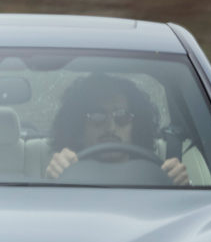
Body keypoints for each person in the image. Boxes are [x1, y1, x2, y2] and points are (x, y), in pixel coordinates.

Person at [44, 73, 190, 185]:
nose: (111, 127)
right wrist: (52, 181)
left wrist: (182, 186)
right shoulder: (65, 173)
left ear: (137, 125)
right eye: (97, 116)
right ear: (79, 126)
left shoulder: (157, 177)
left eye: (122, 116)